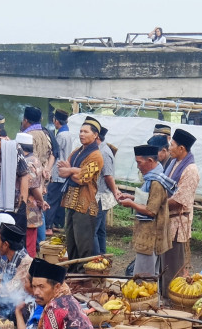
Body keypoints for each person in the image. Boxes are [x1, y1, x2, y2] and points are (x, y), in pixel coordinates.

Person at [117, 144, 173, 282]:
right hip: (147, 236)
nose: (138, 166)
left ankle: (144, 303)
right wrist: (131, 197)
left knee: (144, 278)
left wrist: (131, 204)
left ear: (150, 161)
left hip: (150, 238)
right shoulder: (152, 179)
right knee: (150, 276)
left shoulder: (156, 182)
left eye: (139, 162)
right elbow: (148, 201)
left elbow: (150, 211)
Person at [57, 116, 104, 263]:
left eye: (86, 131)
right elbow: (61, 171)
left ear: (95, 135)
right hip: (71, 202)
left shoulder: (96, 156)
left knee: (83, 245)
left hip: (85, 205)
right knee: (71, 243)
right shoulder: (77, 151)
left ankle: (84, 278)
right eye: (80, 131)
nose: (81, 134)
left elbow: (83, 178)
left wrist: (70, 170)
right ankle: (73, 274)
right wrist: (74, 170)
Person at [162, 128, 200, 281]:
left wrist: (155, 204)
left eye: (172, 145)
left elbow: (179, 200)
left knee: (174, 266)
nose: (169, 148)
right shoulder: (173, 163)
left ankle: (172, 299)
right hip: (166, 220)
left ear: (181, 148)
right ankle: (164, 295)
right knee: (164, 264)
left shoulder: (190, 169)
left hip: (178, 224)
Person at [92, 126, 120, 258]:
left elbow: (108, 176)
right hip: (101, 195)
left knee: (93, 230)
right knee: (100, 229)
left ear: (96, 136)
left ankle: (96, 258)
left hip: (101, 196)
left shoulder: (103, 152)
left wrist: (115, 192)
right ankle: (102, 254)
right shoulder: (101, 149)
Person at [45, 109, 73, 234]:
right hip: (64, 172)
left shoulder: (61, 136)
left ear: (56, 121)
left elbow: (55, 153)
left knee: (51, 199)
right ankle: (58, 224)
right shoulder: (68, 134)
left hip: (57, 172)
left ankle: (48, 226)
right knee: (59, 199)